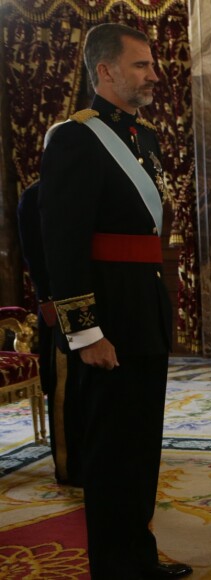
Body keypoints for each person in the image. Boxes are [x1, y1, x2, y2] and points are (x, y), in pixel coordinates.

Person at [38, 23, 191, 579]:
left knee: (140, 442)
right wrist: (85, 331)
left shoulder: (141, 136)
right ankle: (116, 567)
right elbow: (62, 240)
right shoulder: (74, 138)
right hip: (104, 314)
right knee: (109, 449)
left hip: (142, 304)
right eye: (141, 65)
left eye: (151, 65)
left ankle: (137, 557)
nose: (154, 74)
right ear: (104, 71)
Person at [17, 122, 83, 487]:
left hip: (87, 300)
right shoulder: (34, 195)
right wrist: (45, 298)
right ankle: (67, 464)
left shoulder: (83, 194)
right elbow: (33, 254)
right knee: (62, 386)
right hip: (55, 303)